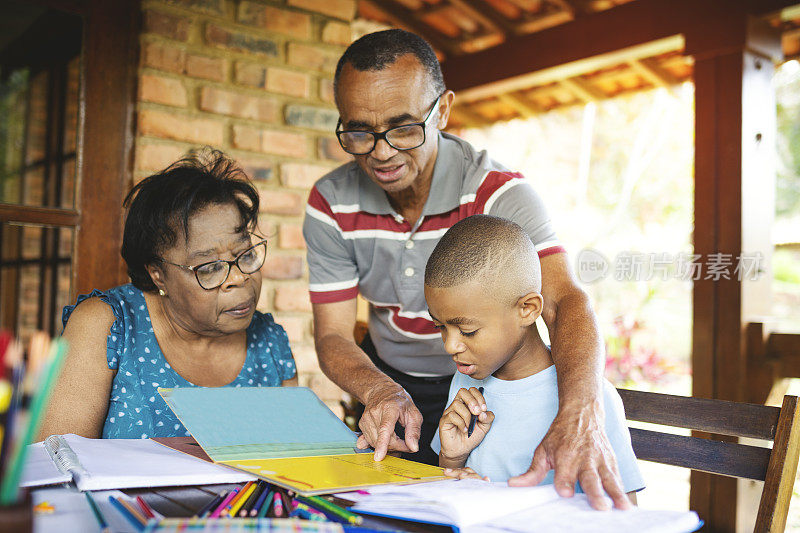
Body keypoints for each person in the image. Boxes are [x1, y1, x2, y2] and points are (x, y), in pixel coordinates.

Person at [303, 29, 629, 509]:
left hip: (487, 388)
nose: (382, 151)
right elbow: (332, 336)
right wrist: (380, 391)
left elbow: (564, 303)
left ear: (443, 110)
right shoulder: (329, 202)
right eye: (359, 132)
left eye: (404, 127)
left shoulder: (499, 195)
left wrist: (581, 412)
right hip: (390, 386)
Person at [39, 150, 297, 440]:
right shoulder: (108, 325)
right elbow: (57, 463)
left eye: (245, 254)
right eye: (210, 267)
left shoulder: (270, 342)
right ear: (157, 273)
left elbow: (292, 459)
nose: (239, 278)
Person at [427, 215, 644, 505]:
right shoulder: (464, 383)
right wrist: (451, 461)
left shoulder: (590, 401)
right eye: (440, 327)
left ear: (528, 310)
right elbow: (447, 491)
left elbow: (624, 511)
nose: (450, 345)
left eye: (468, 330)